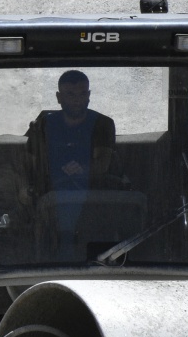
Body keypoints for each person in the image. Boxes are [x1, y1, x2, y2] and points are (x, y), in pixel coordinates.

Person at [23, 69, 119, 249]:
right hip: (51, 193)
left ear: (89, 95)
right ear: (59, 97)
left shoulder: (102, 123)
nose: (77, 100)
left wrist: (82, 169)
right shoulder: (44, 124)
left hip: (93, 193)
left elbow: (102, 164)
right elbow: (29, 163)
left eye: (82, 94)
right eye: (70, 94)